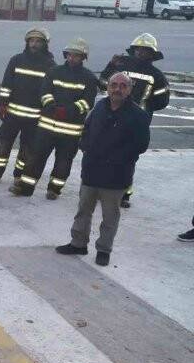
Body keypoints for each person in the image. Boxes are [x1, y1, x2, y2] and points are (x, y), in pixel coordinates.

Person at [57, 72, 150, 266]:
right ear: (108, 87)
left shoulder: (138, 115)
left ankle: (104, 250)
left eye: (123, 86)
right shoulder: (99, 106)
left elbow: (140, 145)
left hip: (116, 176)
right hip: (92, 171)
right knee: (83, 210)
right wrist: (86, 148)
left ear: (129, 89)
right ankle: (78, 243)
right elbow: (87, 130)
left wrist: (116, 159)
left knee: (110, 217)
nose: (117, 89)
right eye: (114, 85)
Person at [10, 38, 99, 200]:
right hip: (47, 127)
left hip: (70, 131)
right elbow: (44, 92)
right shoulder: (54, 71)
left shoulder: (89, 78)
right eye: (70, 55)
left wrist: (67, 111)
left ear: (83, 58)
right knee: (35, 158)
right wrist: (51, 107)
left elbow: (87, 102)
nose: (72, 58)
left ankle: (54, 190)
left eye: (77, 56)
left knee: (63, 162)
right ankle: (25, 188)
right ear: (66, 55)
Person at [99, 33, 170, 208]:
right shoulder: (124, 69)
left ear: (151, 54)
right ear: (134, 50)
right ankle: (109, 190)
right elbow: (102, 84)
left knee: (127, 158)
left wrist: (143, 108)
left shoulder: (154, 75)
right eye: (139, 50)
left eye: (145, 51)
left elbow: (162, 100)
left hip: (131, 122)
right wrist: (110, 66)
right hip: (121, 119)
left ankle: (124, 193)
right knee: (110, 154)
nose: (141, 53)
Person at [0, 27, 56, 185]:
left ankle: (19, 175)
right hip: (12, 114)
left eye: (38, 41)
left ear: (45, 44)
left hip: (34, 117)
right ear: (27, 43)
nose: (34, 44)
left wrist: (46, 113)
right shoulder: (16, 60)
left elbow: (50, 92)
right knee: (3, 144)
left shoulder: (50, 65)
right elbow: (6, 85)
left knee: (27, 148)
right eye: (31, 41)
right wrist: (3, 104)